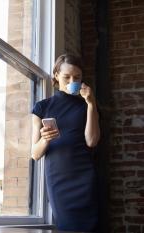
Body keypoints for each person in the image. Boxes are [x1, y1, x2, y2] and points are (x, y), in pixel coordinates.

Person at [31, 54, 100, 232]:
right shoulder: (41, 107)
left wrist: (91, 104)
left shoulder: (86, 106)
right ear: (56, 76)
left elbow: (91, 141)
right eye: (66, 77)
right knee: (66, 227)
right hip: (58, 180)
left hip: (85, 178)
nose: (72, 81)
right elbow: (35, 154)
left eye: (77, 77)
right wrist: (45, 138)